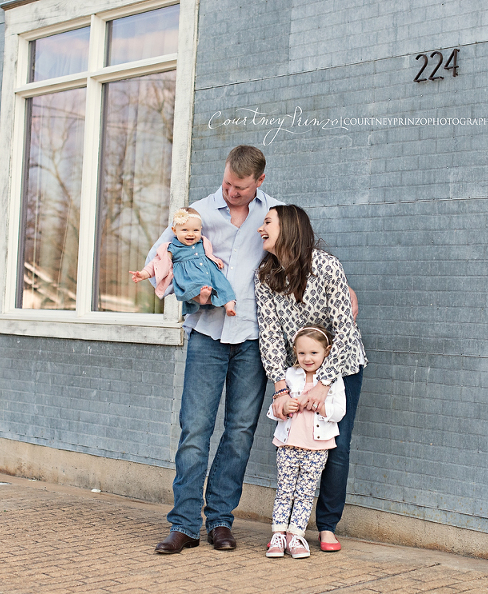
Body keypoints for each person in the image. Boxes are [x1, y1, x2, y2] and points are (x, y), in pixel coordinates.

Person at [150, 145, 282, 554]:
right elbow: (158, 262)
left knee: (240, 433)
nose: (231, 192)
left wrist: (340, 283)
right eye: (227, 183)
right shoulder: (197, 214)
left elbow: (301, 255)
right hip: (207, 334)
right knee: (195, 431)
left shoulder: (276, 213)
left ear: (259, 182)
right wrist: (193, 294)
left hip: (254, 338)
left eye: (240, 188)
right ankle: (185, 524)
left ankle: (220, 521)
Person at [255, 204, 367, 552]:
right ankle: (287, 527)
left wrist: (325, 382)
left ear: (288, 227)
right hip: (296, 371)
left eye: (268, 222)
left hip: (342, 367)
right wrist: (280, 387)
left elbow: (344, 328)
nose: (261, 228)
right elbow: (270, 335)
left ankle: (328, 526)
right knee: (295, 444)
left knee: (337, 444)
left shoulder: (326, 266)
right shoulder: (266, 276)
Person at [265, 325, 346, 559]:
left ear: (326, 352)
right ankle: (278, 535)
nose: (307, 358)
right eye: (302, 353)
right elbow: (274, 409)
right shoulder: (290, 375)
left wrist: (322, 406)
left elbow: (340, 411)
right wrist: (283, 408)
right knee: (284, 490)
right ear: (295, 353)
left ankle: (296, 535)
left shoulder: (332, 380)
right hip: (288, 444)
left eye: (313, 353)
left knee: (305, 492)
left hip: (317, 448)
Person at [130, 206, 237, 316]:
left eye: (195, 230)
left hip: (209, 271)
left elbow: (208, 254)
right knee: (191, 286)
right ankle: (201, 297)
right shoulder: (173, 248)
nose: (190, 234)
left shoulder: (203, 241)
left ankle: (229, 306)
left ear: (200, 230)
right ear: (174, 231)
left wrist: (215, 260)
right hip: (188, 275)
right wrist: (144, 274)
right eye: (185, 230)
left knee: (223, 284)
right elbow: (158, 262)